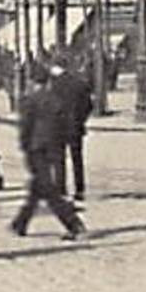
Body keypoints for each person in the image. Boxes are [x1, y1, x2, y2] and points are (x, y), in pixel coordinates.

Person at [11, 67, 87, 240]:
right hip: (53, 147)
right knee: (37, 188)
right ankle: (20, 222)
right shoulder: (55, 99)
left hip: (36, 148)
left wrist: (24, 147)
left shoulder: (30, 101)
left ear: (33, 82)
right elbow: (65, 124)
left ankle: (73, 223)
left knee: (48, 190)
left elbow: (25, 128)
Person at [49, 57, 93, 201]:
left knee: (58, 159)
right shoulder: (78, 83)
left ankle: (61, 188)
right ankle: (79, 189)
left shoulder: (53, 86)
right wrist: (81, 119)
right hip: (75, 126)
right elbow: (88, 105)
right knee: (77, 158)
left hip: (57, 127)